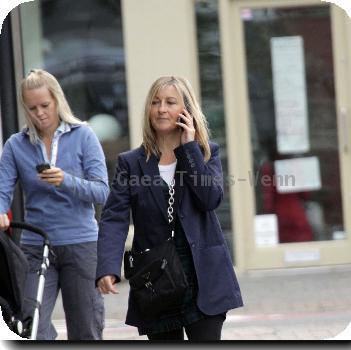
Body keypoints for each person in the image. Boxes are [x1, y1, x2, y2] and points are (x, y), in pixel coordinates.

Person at [96, 76, 243, 341]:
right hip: (156, 280)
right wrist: (108, 266)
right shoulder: (131, 164)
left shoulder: (206, 153)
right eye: (155, 102)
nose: (161, 108)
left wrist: (189, 148)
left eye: (170, 102)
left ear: (186, 110)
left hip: (203, 278)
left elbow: (210, 200)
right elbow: (114, 217)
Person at [0, 69, 109, 340]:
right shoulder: (16, 145)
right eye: (32, 107)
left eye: (45, 105)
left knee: (86, 330)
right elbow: (2, 189)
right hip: (36, 246)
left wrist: (66, 181)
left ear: (57, 100)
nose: (40, 113)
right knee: (29, 324)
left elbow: (103, 192)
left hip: (81, 245)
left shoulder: (84, 135)